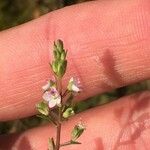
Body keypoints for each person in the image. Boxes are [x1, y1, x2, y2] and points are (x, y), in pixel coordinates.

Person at [0, 0, 150, 149]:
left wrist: (65, 92)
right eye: (53, 91)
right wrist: (55, 94)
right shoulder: (54, 94)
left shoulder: (60, 95)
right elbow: (53, 97)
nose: (54, 92)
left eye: (54, 92)